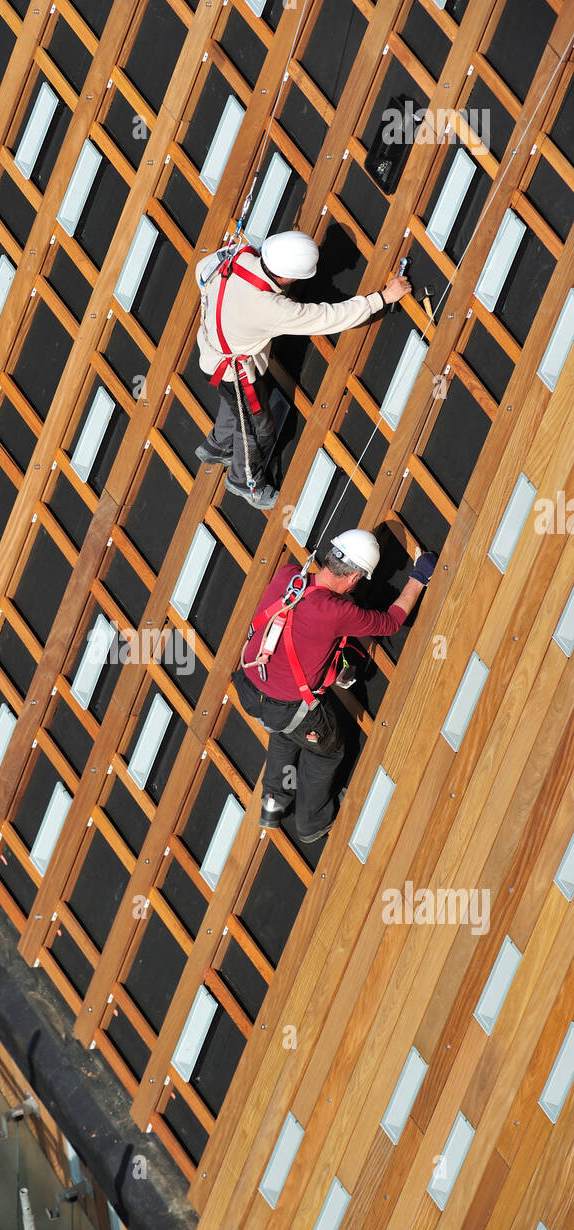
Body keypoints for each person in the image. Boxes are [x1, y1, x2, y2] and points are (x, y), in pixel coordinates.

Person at [233, 530, 437, 843]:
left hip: (251, 686)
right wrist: (420, 576)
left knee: (285, 732)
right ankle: (311, 823)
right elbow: (391, 621)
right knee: (326, 751)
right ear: (355, 576)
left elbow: (303, 616)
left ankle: (274, 802)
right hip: (287, 708)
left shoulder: (289, 575)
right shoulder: (337, 613)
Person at [195, 231, 411, 508]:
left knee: (235, 406)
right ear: (288, 277)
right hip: (236, 373)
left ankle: (218, 445)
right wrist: (382, 298)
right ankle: (242, 480)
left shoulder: (237, 257)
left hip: (212, 352)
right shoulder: (271, 309)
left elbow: (202, 271)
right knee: (259, 428)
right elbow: (326, 318)